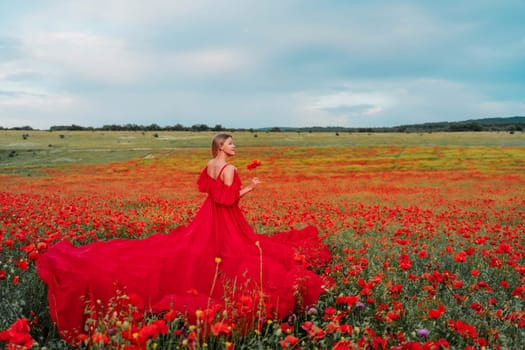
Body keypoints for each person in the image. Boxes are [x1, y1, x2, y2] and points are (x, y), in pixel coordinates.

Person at [37, 133, 331, 344]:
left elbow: (208, 191)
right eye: (231, 143)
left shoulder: (210, 164)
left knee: (188, 247)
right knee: (236, 255)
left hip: (207, 217)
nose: (234, 146)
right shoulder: (230, 169)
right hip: (226, 221)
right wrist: (250, 188)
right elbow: (228, 201)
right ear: (221, 147)